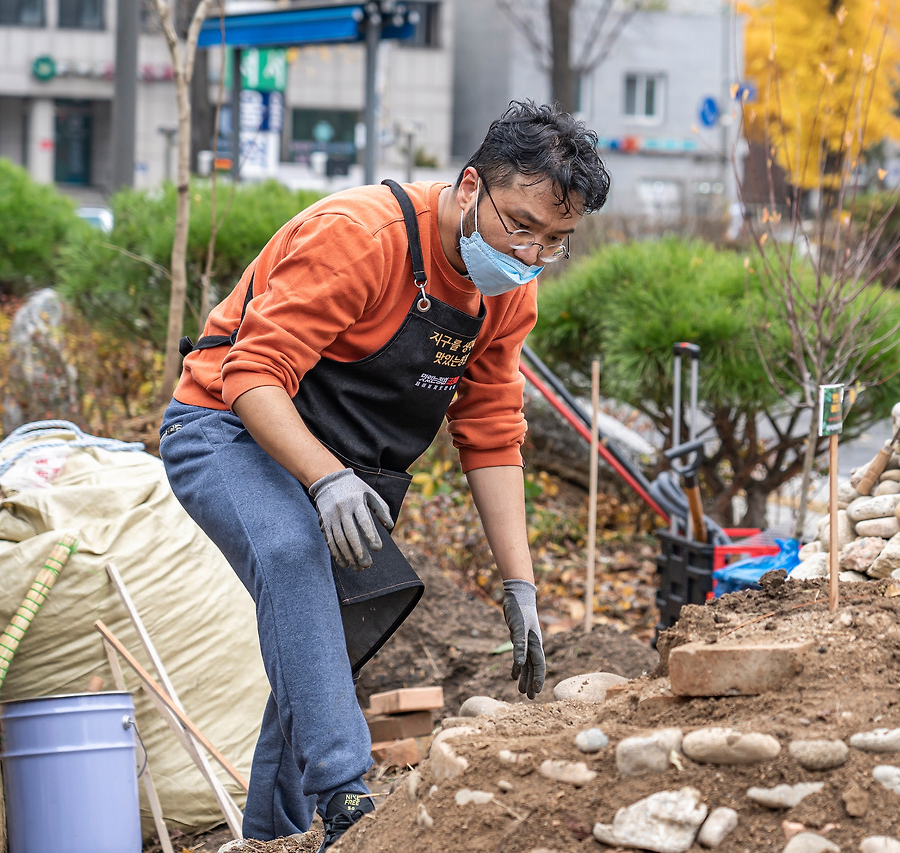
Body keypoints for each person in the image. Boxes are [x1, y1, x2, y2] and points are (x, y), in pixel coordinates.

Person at [158, 100, 610, 850]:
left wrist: (519, 584)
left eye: (555, 242)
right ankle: (347, 799)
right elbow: (253, 375)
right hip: (227, 430)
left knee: (321, 645)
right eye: (521, 226)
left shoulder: (506, 293)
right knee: (294, 550)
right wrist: (325, 479)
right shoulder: (361, 236)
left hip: (346, 470)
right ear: (470, 188)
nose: (531, 256)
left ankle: (274, 837)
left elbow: (492, 432)